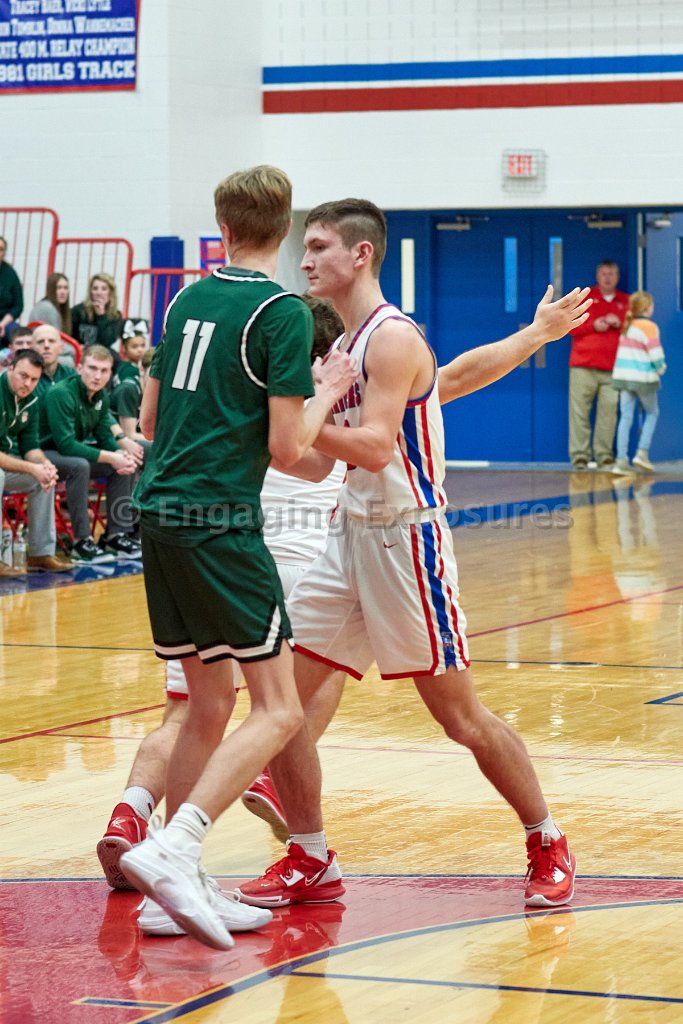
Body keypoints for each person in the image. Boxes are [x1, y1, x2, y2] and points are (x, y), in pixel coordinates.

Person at [234, 198, 587, 917]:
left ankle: (547, 839)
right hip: (347, 534)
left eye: (320, 246)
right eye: (306, 246)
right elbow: (447, 382)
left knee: (460, 718)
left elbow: (373, 448)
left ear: (361, 254)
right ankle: (310, 856)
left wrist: (295, 421)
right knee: (282, 706)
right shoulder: (347, 342)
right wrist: (533, 334)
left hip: (405, 542)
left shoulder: (391, 338)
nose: (305, 258)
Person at [117, 165, 357, 950]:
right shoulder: (281, 311)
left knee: (207, 703)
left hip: (158, 516)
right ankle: (174, 847)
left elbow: (152, 419)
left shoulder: (185, 300)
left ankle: (173, 893)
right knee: (278, 709)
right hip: (221, 523)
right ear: (284, 229)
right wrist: (331, 388)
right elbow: (289, 447)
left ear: (222, 227)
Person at [40, 344, 143, 562]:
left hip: (70, 453)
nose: (97, 376)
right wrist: (112, 457)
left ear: (110, 374)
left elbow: (104, 436)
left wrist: (120, 455)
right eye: (92, 368)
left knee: (123, 465)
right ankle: (81, 542)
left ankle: (117, 535)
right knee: (80, 466)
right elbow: (66, 445)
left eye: (104, 370)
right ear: (79, 368)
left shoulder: (101, 396)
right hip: (43, 453)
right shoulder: (61, 393)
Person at [0, 349, 74, 575]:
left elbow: (31, 447)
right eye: (23, 376)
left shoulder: (30, 400)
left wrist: (44, 465)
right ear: (10, 368)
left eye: (34, 379)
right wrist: (33, 468)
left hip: (6, 462)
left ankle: (40, 554)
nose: (28, 383)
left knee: (43, 480)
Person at [568, 260, 629, 470]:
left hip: (614, 368)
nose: (607, 278)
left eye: (611, 273)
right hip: (583, 365)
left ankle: (604, 456)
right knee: (579, 413)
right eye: (604, 273)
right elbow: (570, 327)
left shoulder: (626, 301)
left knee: (609, 412)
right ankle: (580, 456)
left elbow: (636, 330)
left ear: (617, 277)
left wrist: (619, 324)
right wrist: (593, 325)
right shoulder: (585, 298)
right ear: (597, 276)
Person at [611, 291, 666, 475]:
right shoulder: (649, 327)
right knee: (652, 412)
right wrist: (661, 368)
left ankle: (621, 461)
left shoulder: (628, 325)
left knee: (625, 417)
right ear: (647, 307)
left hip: (624, 378)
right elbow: (655, 354)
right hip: (643, 379)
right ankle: (642, 453)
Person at [71, 273, 123, 353]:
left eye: (104, 289)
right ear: (90, 292)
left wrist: (101, 315)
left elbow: (107, 342)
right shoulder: (78, 311)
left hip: (101, 353)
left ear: (110, 293)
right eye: (95, 288)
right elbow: (70, 335)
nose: (99, 293)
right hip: (79, 351)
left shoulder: (115, 315)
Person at [28, 272, 73, 337]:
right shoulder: (47, 308)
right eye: (59, 288)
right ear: (51, 290)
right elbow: (56, 338)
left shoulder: (52, 307)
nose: (63, 292)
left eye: (65, 288)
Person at [0, 237, 23, 342]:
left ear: (4, 253)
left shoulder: (10, 273)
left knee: (18, 336)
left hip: (5, 321)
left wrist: (2, 324)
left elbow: (18, 305)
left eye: (1, 249)